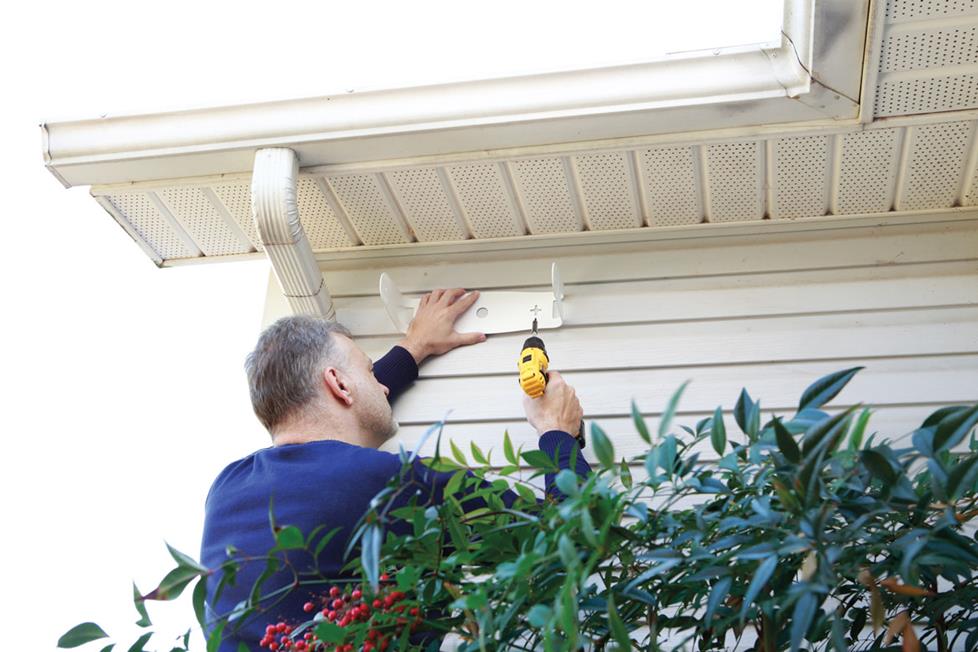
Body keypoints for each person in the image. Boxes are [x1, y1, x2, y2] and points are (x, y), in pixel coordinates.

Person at [200, 288, 591, 650]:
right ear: (338, 383)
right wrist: (556, 431)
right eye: (370, 372)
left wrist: (414, 346)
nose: (383, 387)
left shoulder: (226, 491)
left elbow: (334, 423)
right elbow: (568, 539)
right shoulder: (390, 482)